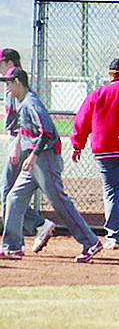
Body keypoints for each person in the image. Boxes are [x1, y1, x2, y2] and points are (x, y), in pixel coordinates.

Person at [0, 68, 102, 262]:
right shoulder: (22, 102)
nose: (6, 87)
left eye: (8, 82)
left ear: (18, 82)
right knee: (14, 197)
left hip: (44, 159)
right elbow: (27, 130)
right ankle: (12, 247)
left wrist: (34, 156)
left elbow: (47, 132)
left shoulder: (31, 102)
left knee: (60, 203)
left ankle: (91, 242)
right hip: (36, 161)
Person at [71, 58, 119, 249]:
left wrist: (77, 144)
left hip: (104, 149)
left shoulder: (98, 92)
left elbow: (82, 120)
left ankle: (113, 237)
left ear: (110, 74)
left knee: (111, 192)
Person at [0, 48, 55, 250]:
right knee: (12, 192)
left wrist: (15, 146)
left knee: (7, 191)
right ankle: (35, 227)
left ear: (7, 62)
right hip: (19, 141)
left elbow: (20, 121)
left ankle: (29, 232)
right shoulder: (13, 81)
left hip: (19, 142)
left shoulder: (15, 82)